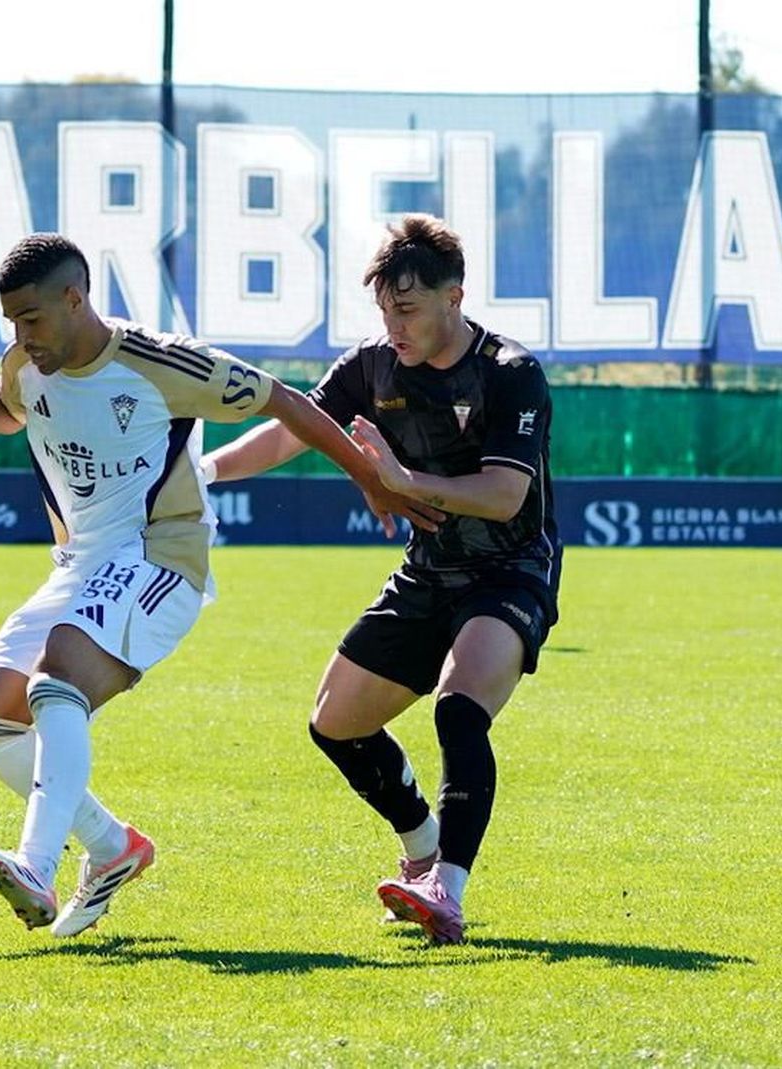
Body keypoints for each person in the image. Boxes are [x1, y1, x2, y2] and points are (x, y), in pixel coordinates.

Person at [0, 233, 421, 939]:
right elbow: (9, 405)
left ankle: (35, 863)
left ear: (74, 297)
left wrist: (370, 476)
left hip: (162, 559)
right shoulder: (28, 359)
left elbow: (286, 402)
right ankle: (112, 845)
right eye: (11, 323)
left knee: (56, 674)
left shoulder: (160, 362)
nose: (21, 336)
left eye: (30, 318)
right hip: (79, 564)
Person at [203, 214, 562, 945]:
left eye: (408, 308)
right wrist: (203, 472)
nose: (392, 324)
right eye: (384, 309)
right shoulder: (371, 365)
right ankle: (422, 841)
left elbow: (504, 495)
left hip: (509, 568)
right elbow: (292, 426)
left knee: (459, 710)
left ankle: (447, 889)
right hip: (429, 570)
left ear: (453, 298)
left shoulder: (509, 372)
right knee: (335, 723)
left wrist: (402, 479)